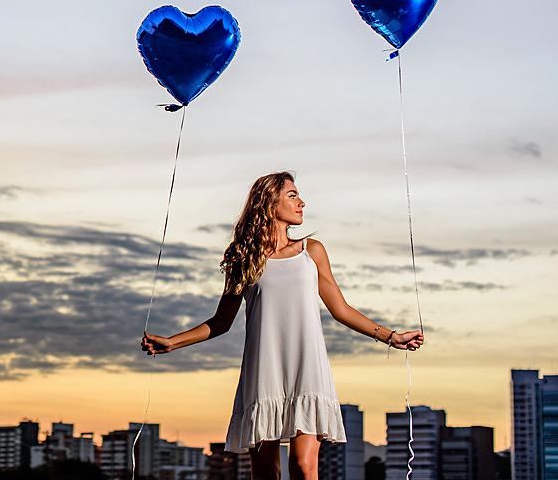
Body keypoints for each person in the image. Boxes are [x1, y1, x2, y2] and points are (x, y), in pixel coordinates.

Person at [140, 171, 424, 480]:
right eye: (292, 195)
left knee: (304, 466)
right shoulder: (243, 258)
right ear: (269, 202)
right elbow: (221, 322)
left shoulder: (311, 251)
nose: (302, 202)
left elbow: (340, 309)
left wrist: (392, 337)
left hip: (308, 368)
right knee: (265, 474)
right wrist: (172, 342)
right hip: (264, 372)